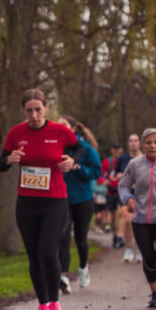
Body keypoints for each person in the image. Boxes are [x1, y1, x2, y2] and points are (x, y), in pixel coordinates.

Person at [0, 89, 82, 310]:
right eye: (29, 110)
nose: (34, 115)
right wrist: (9, 159)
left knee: (47, 251)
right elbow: (1, 164)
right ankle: (42, 304)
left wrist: (72, 160)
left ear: (45, 108)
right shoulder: (16, 133)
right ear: (23, 111)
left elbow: (79, 148)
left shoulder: (60, 131)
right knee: (34, 256)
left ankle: (55, 303)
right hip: (27, 203)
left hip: (55, 201)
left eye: (38, 109)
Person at [118, 128, 156, 308]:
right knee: (148, 257)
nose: (152, 146)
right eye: (148, 142)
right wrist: (129, 199)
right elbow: (123, 186)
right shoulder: (135, 164)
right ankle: (155, 293)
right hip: (140, 220)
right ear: (143, 145)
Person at [56, 115, 101, 291]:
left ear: (73, 128)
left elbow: (96, 172)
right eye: (58, 126)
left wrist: (79, 168)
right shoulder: (56, 147)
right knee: (63, 237)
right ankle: (64, 276)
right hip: (62, 199)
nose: (60, 128)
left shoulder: (87, 149)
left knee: (81, 239)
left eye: (64, 125)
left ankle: (83, 268)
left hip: (83, 199)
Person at [118, 133, 143, 263]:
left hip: (142, 195)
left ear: (140, 143)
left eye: (136, 140)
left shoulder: (144, 159)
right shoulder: (123, 159)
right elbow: (118, 175)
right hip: (127, 194)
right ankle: (128, 249)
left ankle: (139, 250)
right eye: (131, 140)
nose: (133, 143)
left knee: (138, 223)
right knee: (127, 220)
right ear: (128, 143)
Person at [102, 142, 124, 244]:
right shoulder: (107, 162)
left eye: (118, 149)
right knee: (113, 217)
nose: (116, 151)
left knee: (122, 213)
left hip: (122, 191)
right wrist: (103, 181)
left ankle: (121, 235)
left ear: (121, 150)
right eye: (114, 149)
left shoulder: (125, 161)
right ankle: (115, 235)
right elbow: (100, 174)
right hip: (110, 191)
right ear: (112, 150)